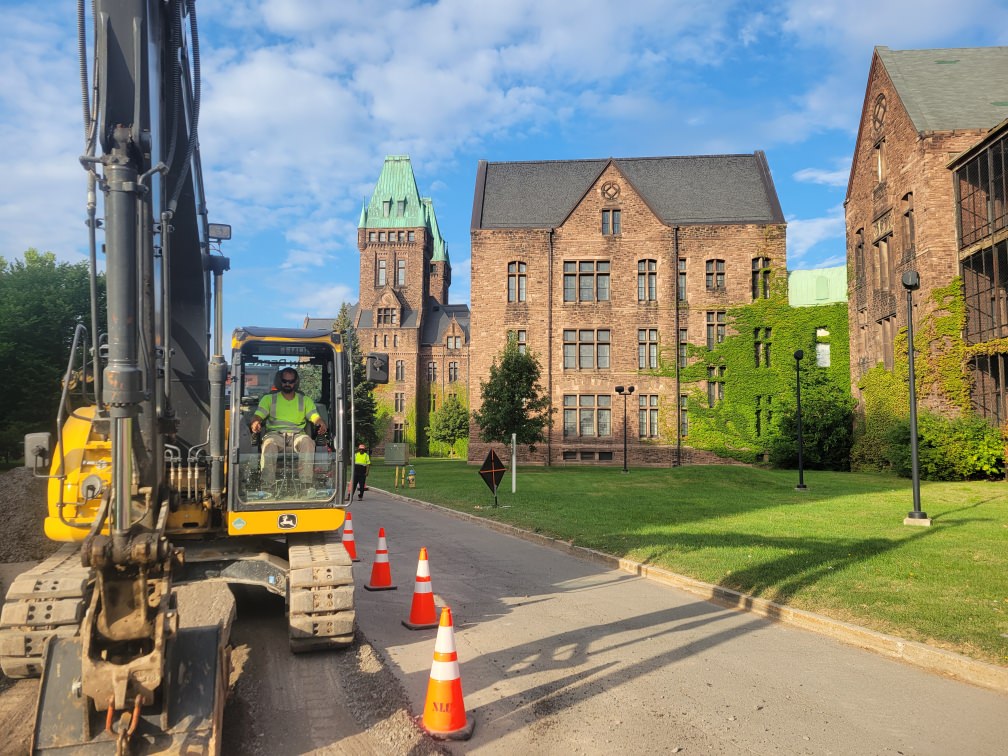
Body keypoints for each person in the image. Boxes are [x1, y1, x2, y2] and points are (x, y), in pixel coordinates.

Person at [250, 368, 327, 492]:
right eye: (284, 381)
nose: (287, 384)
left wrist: (320, 422)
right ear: (280, 381)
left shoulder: (305, 400)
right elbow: (258, 415)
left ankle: (306, 485)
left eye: (290, 381)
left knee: (307, 442)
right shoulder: (269, 399)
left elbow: (314, 416)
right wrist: (256, 421)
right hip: (275, 435)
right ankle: (267, 487)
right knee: (269, 444)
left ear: (295, 382)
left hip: (297, 436)